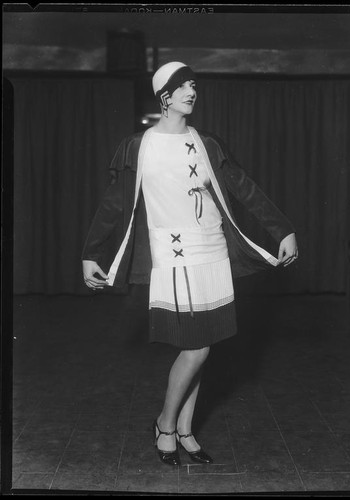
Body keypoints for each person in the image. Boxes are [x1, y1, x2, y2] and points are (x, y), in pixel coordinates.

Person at [82, 61, 298, 467]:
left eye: (194, 85)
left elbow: (244, 188)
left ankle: (185, 428)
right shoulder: (138, 146)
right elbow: (113, 203)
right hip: (173, 255)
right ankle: (165, 424)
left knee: (204, 345)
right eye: (183, 87)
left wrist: (282, 228)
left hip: (211, 252)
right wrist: (91, 252)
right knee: (195, 348)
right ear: (163, 96)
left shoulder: (207, 143)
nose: (192, 92)